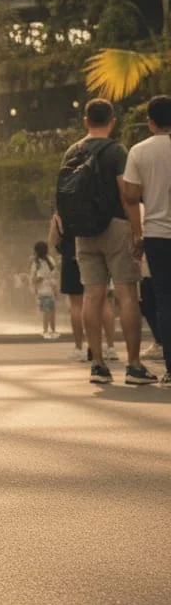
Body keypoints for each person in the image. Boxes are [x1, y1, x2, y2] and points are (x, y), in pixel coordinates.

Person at [59, 99, 156, 385]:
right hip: (115, 226)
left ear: (86, 121)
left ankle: (98, 365)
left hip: (84, 231)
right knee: (127, 294)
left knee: (92, 295)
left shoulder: (71, 152)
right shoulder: (116, 151)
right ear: (112, 121)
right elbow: (127, 196)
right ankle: (134, 365)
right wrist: (137, 232)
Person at [121, 94, 171, 387]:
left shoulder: (139, 151)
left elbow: (130, 196)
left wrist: (137, 233)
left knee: (165, 300)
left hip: (156, 234)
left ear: (150, 122)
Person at [49, 212, 117, 361]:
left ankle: (79, 348)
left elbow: (54, 239)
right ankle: (110, 347)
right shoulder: (96, 204)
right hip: (97, 254)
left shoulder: (63, 211)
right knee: (103, 301)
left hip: (72, 258)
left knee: (76, 304)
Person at [30, 241, 59, 339]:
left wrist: (37, 282)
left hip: (45, 289)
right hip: (46, 290)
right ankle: (50, 330)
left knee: (48, 312)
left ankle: (48, 331)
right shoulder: (48, 260)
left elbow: (33, 278)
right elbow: (54, 274)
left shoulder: (38, 262)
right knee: (50, 311)